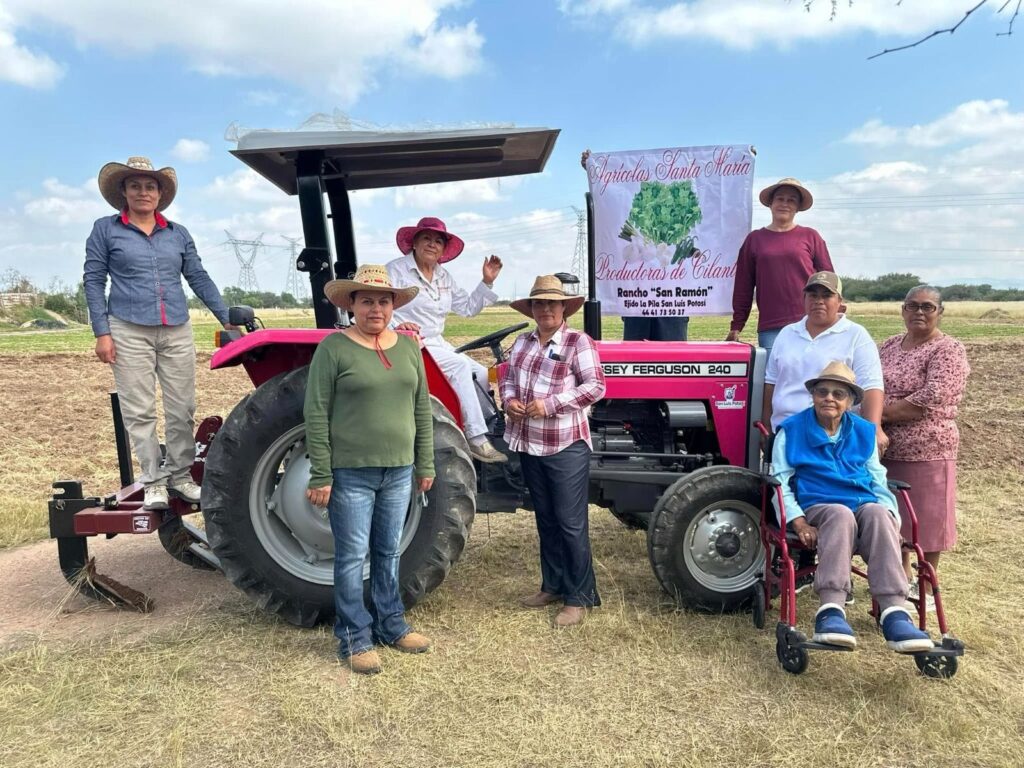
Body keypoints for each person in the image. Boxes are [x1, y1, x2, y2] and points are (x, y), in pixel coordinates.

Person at [304, 264, 435, 676]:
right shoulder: (334, 349)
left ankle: (391, 624)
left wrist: (425, 462)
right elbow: (316, 412)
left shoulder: (409, 348)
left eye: (383, 301)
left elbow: (421, 408)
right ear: (352, 305)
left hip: (399, 471)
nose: (375, 308)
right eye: (366, 301)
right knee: (351, 556)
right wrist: (321, 473)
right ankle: (354, 637)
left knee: (388, 551)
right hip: (351, 474)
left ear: (393, 306)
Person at [84, 156, 233, 511]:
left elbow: (197, 277)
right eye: (135, 185)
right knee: (140, 410)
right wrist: (102, 332)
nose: (143, 192)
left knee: (182, 407)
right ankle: (153, 482)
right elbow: (93, 280)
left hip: (176, 328)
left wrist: (227, 318)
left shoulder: (177, 233)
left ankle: (180, 476)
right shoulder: (105, 229)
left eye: (150, 186)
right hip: (127, 328)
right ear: (123, 191)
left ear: (160, 193)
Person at [772, 361, 933, 653]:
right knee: (840, 513)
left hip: (862, 501)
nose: (829, 398)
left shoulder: (863, 430)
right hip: (819, 504)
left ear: (850, 402)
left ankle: (894, 612)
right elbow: (780, 482)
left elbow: (877, 477)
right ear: (813, 395)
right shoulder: (792, 431)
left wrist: (891, 517)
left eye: (838, 394)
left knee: (877, 513)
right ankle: (832, 608)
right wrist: (798, 521)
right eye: (822, 392)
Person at [500, 275, 607, 627]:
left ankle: (579, 596)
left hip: (565, 444)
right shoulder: (522, 342)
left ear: (563, 308)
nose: (545, 308)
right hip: (529, 442)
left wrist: (551, 404)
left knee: (570, 522)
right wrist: (510, 402)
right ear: (531, 308)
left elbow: (596, 386)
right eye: (539, 303)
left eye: (552, 303)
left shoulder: (578, 342)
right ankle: (553, 585)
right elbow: (507, 379)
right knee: (545, 518)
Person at [385, 217, 507, 463]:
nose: (432, 244)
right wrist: (396, 328)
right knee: (460, 366)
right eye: (426, 238)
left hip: (437, 342)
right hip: (407, 342)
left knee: (482, 373)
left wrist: (487, 281)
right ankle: (476, 438)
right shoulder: (395, 271)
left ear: (443, 249)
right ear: (414, 243)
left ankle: (491, 428)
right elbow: (377, 305)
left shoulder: (444, 277)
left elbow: (468, 308)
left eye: (438, 241)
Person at [880, 286, 970, 611]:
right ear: (903, 310)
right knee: (895, 515)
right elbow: (870, 383)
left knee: (929, 519)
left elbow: (931, 397)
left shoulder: (948, 349)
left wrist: (878, 414)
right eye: (913, 306)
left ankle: (927, 587)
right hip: (886, 448)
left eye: (928, 307)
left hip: (928, 447)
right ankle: (901, 577)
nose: (919, 312)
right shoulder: (889, 345)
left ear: (939, 312)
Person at [762, 271, 888, 454]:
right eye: (813, 295)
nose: (818, 301)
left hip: (833, 437)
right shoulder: (787, 333)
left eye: (827, 295)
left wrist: (874, 429)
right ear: (804, 299)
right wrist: (766, 425)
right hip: (785, 433)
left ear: (839, 301)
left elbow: (871, 385)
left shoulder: (856, 335)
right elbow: (771, 383)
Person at [580, 148, 688, 341]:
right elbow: (612, 209)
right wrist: (595, 170)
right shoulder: (632, 229)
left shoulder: (677, 230)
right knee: (636, 357)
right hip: (637, 305)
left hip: (673, 307)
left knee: (672, 358)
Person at [727, 177, 833, 355]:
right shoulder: (755, 239)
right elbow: (743, 286)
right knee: (773, 373)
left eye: (791, 200)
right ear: (771, 203)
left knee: (814, 372)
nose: (785, 204)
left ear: (798, 207)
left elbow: (829, 280)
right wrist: (737, 325)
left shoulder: (811, 236)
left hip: (811, 322)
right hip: (771, 326)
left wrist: (833, 314)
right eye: (780, 199)